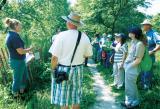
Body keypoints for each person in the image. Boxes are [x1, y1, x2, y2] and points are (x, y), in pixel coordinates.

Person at [49, 12, 93, 109]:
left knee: (63, 100)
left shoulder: (61, 36)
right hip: (78, 70)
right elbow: (88, 55)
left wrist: (52, 69)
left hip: (62, 71)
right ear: (77, 24)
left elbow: (54, 57)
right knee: (76, 97)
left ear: (68, 23)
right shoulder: (85, 37)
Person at [5, 18, 32, 97]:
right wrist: (29, 49)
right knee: (17, 79)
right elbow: (20, 51)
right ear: (16, 26)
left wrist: (27, 51)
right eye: (20, 25)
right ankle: (16, 96)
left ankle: (22, 93)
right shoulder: (13, 37)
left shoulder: (13, 35)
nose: (21, 27)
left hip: (19, 60)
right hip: (17, 61)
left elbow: (19, 50)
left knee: (23, 77)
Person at [122, 27, 147, 108]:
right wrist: (126, 65)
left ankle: (134, 102)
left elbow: (138, 60)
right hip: (129, 66)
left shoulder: (139, 44)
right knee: (129, 85)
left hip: (133, 67)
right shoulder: (133, 42)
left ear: (134, 34)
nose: (129, 33)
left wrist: (128, 67)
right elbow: (130, 55)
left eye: (130, 32)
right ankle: (129, 101)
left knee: (131, 85)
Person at [141, 19, 160, 89]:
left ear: (148, 26)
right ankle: (143, 87)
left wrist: (152, 51)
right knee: (143, 71)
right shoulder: (145, 34)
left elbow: (159, 43)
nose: (142, 26)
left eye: (144, 25)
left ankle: (147, 89)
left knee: (147, 72)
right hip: (142, 56)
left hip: (149, 57)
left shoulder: (154, 33)